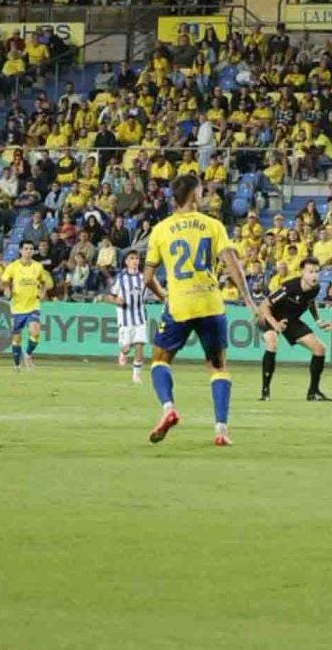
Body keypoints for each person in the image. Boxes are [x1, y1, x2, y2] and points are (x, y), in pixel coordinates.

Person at [144, 172, 278, 447]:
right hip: (210, 303)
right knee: (218, 367)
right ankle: (221, 430)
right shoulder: (212, 225)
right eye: (202, 191)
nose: (205, 195)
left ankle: (168, 408)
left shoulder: (160, 230)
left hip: (179, 304)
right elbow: (232, 264)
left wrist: (164, 296)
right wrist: (250, 302)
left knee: (160, 359)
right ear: (193, 195)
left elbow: (147, 278)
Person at [261, 258, 332, 402]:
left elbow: (311, 302)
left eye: (317, 272)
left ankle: (313, 392)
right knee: (272, 342)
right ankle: (265, 391)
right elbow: (264, 305)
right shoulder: (289, 288)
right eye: (310, 272)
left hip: (291, 321)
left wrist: (318, 320)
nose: (314, 275)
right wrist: (275, 325)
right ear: (302, 273)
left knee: (320, 349)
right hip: (271, 317)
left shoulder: (315, 288)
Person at [0, 241, 53, 371]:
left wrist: (42, 292)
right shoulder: (12, 267)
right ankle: (17, 365)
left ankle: (28, 354)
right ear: (20, 251)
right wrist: (7, 289)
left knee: (35, 331)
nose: (28, 251)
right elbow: (4, 282)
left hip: (33, 305)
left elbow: (43, 282)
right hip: (17, 307)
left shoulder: (38, 267)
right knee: (16, 339)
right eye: (26, 249)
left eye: (31, 249)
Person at [108, 250, 149, 383]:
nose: (135, 261)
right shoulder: (121, 278)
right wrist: (117, 301)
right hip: (125, 318)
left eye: (137, 258)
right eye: (132, 258)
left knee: (140, 346)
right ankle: (123, 352)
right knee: (126, 347)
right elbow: (110, 296)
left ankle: (136, 375)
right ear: (126, 261)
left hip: (140, 317)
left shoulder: (143, 278)